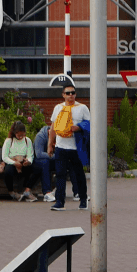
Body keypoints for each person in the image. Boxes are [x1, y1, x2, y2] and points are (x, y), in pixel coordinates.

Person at [47, 83, 90, 211]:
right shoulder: (58, 108)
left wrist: (79, 127)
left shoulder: (82, 108)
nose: (70, 95)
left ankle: (83, 199)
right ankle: (60, 202)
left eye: (73, 93)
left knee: (78, 174)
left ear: (75, 94)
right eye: (68, 93)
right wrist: (50, 144)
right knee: (60, 174)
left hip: (76, 148)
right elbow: (53, 127)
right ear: (63, 95)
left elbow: (89, 124)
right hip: (61, 146)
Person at [0, 121, 36, 201]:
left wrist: (28, 161)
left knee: (36, 169)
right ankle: (11, 192)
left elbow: (30, 155)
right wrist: (14, 163)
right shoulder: (9, 140)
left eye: (22, 135)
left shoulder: (27, 140)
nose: (20, 137)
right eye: (19, 135)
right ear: (14, 133)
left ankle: (27, 190)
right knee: (8, 171)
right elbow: (4, 157)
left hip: (23, 161)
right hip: (12, 162)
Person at [33, 123, 55, 200]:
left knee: (66, 162)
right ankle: (47, 192)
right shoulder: (40, 136)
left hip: (50, 160)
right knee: (45, 162)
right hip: (37, 161)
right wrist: (53, 156)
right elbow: (39, 154)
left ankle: (77, 192)